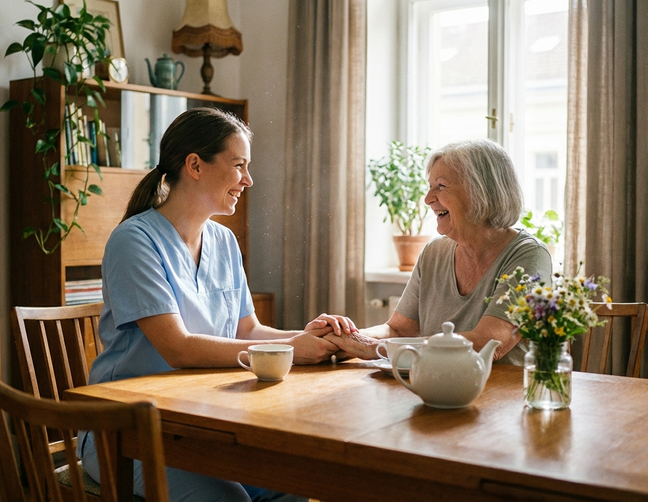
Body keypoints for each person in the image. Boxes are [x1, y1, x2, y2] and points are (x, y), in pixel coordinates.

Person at [77, 107, 356, 502]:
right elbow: (178, 347)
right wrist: (291, 350)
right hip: (126, 433)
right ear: (194, 165)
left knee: (293, 485)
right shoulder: (134, 242)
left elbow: (248, 330)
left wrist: (309, 336)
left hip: (202, 422)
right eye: (239, 164)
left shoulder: (224, 241)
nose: (249, 179)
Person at [324, 139, 552, 365]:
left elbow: (487, 344)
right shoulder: (434, 252)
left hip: (503, 395)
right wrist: (339, 338)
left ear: (481, 191)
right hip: (437, 388)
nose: (427, 198)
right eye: (430, 186)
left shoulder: (530, 256)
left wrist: (369, 347)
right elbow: (398, 329)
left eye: (440, 186)